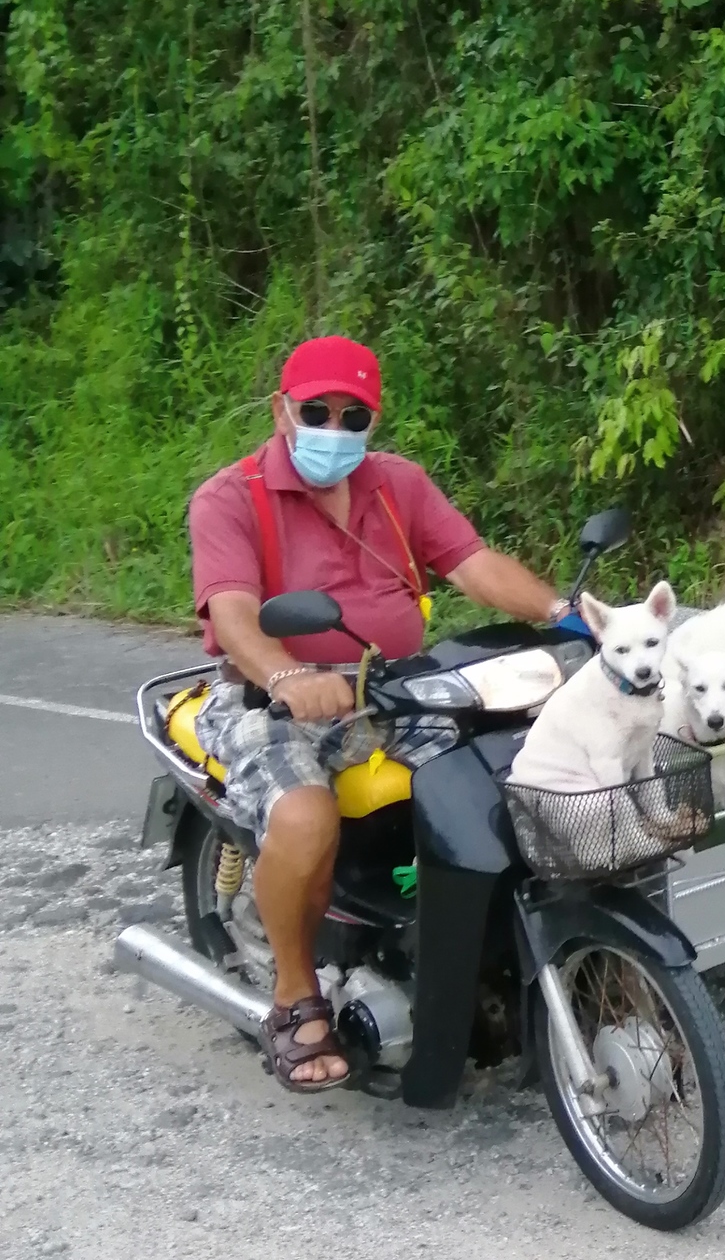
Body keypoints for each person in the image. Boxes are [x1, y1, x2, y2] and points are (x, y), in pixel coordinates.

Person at [187, 334, 573, 1093]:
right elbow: (234, 614)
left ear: (374, 419)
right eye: (316, 410)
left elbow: (475, 565)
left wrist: (568, 612)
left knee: (517, 765)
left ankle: (469, 936)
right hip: (271, 693)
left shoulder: (397, 485)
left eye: (352, 414)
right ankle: (296, 997)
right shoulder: (230, 497)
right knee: (304, 818)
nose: (334, 426)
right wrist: (288, 672)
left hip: (393, 684)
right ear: (282, 409)